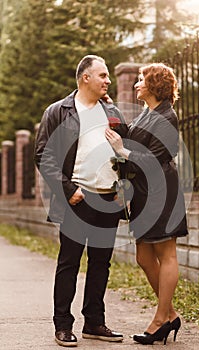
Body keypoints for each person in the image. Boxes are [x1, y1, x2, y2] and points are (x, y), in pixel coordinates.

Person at [35, 55, 127, 347]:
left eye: (108, 76)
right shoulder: (58, 111)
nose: (108, 80)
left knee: (101, 263)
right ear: (85, 77)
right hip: (76, 199)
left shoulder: (111, 110)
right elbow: (43, 155)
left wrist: (120, 186)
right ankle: (63, 325)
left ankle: (94, 322)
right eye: (102, 75)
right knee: (69, 262)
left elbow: (124, 150)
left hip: (108, 199)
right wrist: (67, 189)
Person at [105, 62, 189, 345]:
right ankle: (171, 315)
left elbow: (154, 159)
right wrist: (111, 111)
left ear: (154, 85)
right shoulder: (147, 113)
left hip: (162, 191)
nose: (136, 84)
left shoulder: (167, 116)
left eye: (141, 79)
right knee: (143, 256)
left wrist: (122, 151)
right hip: (143, 193)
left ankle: (159, 319)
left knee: (166, 253)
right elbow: (132, 136)